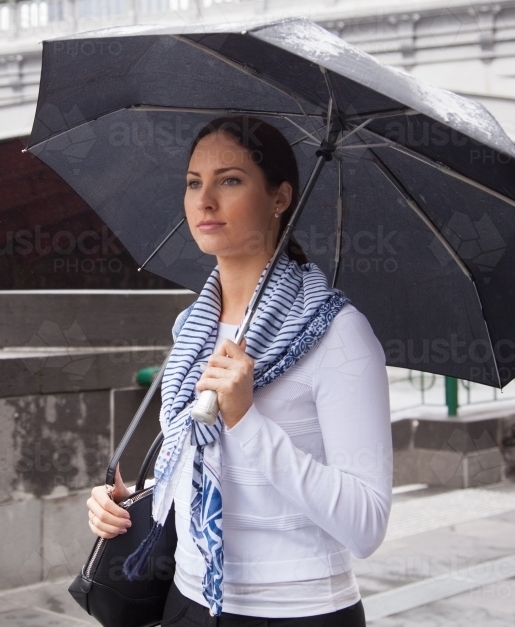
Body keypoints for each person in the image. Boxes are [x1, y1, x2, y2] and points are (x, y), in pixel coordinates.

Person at [86, 115, 393, 626]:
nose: (204, 200)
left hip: (297, 612)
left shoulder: (340, 333)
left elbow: (366, 525)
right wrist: (127, 503)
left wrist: (248, 421)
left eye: (229, 180)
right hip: (186, 602)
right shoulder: (193, 329)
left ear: (280, 198)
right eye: (193, 182)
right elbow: (196, 463)